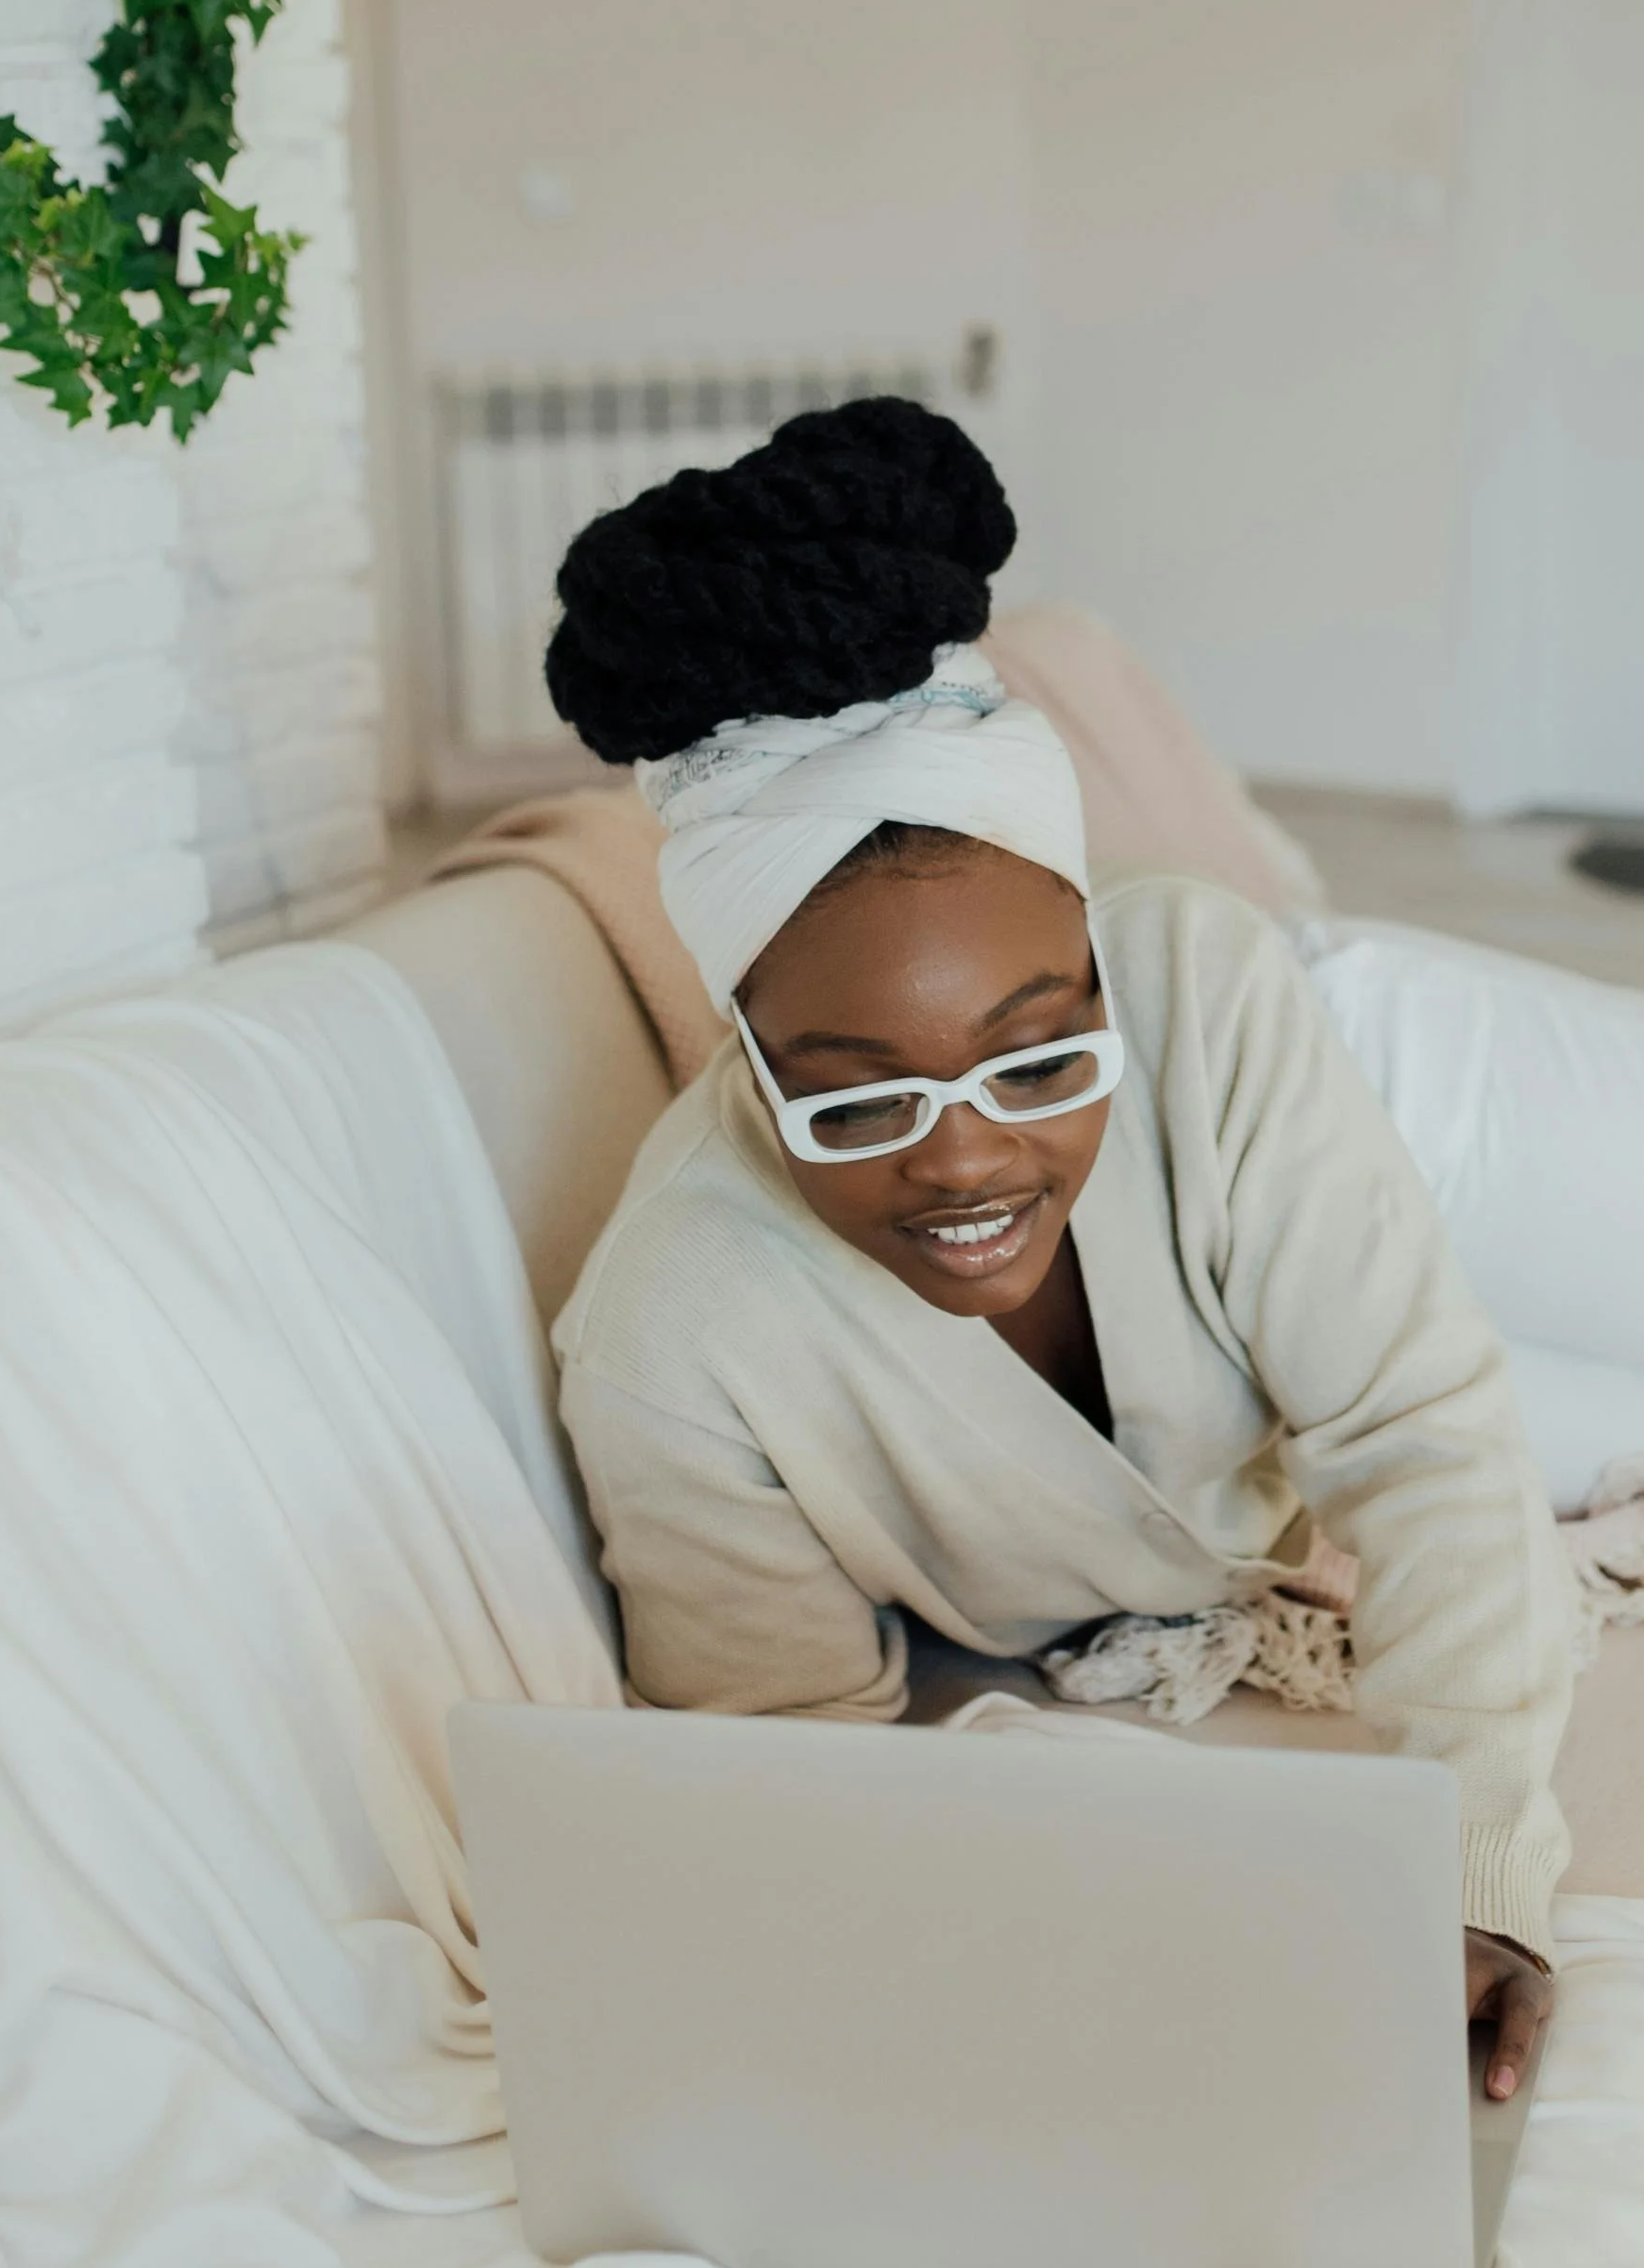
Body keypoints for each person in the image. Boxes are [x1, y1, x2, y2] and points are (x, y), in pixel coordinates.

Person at [545, 399, 1570, 2097]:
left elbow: (1424, 1432)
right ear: (746, 1053)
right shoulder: (676, 1329)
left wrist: (1478, 1882)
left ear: (1100, 971)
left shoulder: (1205, 992)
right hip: (1327, 1310)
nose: (967, 1159)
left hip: (1400, 1108)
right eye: (853, 1100)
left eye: (1040, 1054)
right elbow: (787, 1766)